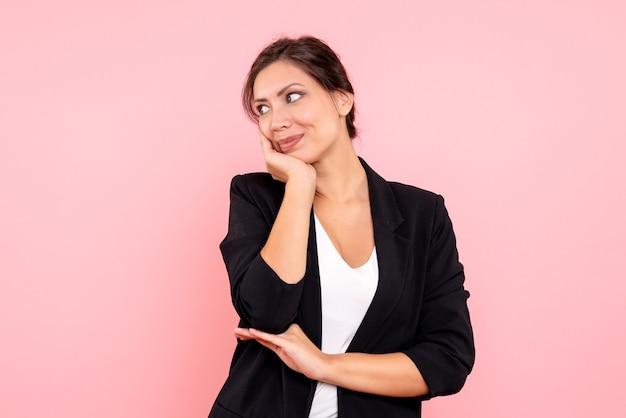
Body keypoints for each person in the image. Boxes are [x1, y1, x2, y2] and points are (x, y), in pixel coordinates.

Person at [208, 36, 474, 418]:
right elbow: (267, 312)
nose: (276, 121)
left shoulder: (422, 214)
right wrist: (299, 186)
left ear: (341, 99)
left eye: (293, 96)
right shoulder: (256, 196)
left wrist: (324, 365)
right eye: (262, 108)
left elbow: (448, 359)